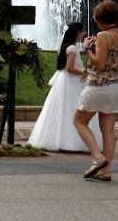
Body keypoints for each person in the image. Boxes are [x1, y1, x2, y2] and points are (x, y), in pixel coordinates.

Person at [74, 0, 118, 182]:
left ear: (99, 19)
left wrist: (87, 48)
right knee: (108, 130)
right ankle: (106, 171)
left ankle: (98, 158)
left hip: (98, 86)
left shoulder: (103, 36)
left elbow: (99, 63)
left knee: (79, 122)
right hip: (117, 86)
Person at [28, 23, 102, 152]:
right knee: (72, 107)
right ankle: (73, 141)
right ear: (77, 32)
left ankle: (61, 138)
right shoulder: (72, 48)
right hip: (71, 81)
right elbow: (70, 68)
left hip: (66, 81)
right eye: (82, 31)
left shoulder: (66, 47)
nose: (83, 34)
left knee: (63, 108)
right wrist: (85, 72)